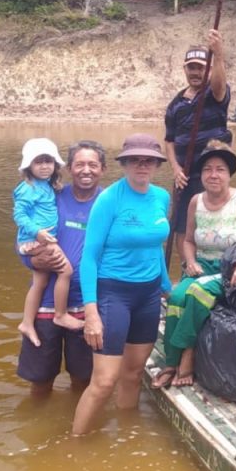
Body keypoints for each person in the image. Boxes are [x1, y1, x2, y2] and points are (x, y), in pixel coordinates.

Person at [72, 133, 173, 435]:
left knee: (133, 374)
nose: (142, 165)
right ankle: (75, 443)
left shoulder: (161, 197)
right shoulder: (109, 200)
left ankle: (126, 436)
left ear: (157, 164)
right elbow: (89, 258)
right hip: (113, 293)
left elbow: (154, 246)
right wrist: (91, 313)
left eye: (149, 161)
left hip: (149, 294)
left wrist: (166, 286)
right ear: (124, 164)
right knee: (104, 381)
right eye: (135, 160)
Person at [153, 140, 236, 389]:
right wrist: (190, 261)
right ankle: (171, 363)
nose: (213, 175)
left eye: (220, 169)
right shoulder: (195, 201)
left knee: (197, 292)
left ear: (229, 174)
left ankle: (187, 354)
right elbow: (188, 240)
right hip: (202, 266)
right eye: (207, 169)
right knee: (176, 297)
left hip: (232, 270)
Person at [16, 140, 107, 396]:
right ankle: (38, 421)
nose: (86, 170)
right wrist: (32, 261)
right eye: (79, 164)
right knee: (40, 381)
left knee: (84, 380)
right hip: (45, 305)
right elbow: (23, 240)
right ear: (68, 168)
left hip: (87, 307)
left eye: (93, 165)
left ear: (103, 169)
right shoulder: (50, 195)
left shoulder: (109, 202)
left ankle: (77, 418)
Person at [164, 30, 232, 249]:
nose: (195, 72)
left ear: (209, 70)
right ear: (184, 69)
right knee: (182, 227)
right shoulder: (175, 104)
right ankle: (187, 266)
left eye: (201, 68)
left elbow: (220, 87)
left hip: (211, 173)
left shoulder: (214, 94)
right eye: (191, 67)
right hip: (185, 177)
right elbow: (169, 140)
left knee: (214, 222)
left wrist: (218, 54)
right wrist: (176, 169)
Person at [14, 138, 85, 347]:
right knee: (66, 271)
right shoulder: (28, 188)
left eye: (49, 161)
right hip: (41, 238)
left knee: (40, 282)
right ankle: (60, 314)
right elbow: (19, 215)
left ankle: (27, 322)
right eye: (39, 162)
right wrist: (36, 234)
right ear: (29, 165)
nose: (45, 166)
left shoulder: (47, 186)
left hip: (42, 236)